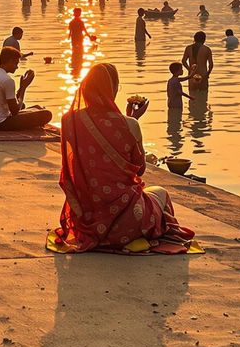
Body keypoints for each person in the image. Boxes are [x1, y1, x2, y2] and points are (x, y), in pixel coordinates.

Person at [48, 63, 199, 255]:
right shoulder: (130, 125)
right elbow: (139, 169)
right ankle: (153, 232)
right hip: (127, 222)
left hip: (87, 219)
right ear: (113, 89)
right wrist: (131, 119)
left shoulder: (70, 121)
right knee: (161, 193)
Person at [0, 47, 50, 131]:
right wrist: (24, 87)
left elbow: (13, 104)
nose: (17, 67)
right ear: (10, 61)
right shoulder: (7, 80)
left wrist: (21, 88)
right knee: (47, 114)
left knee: (37, 107)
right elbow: (15, 112)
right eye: (16, 63)